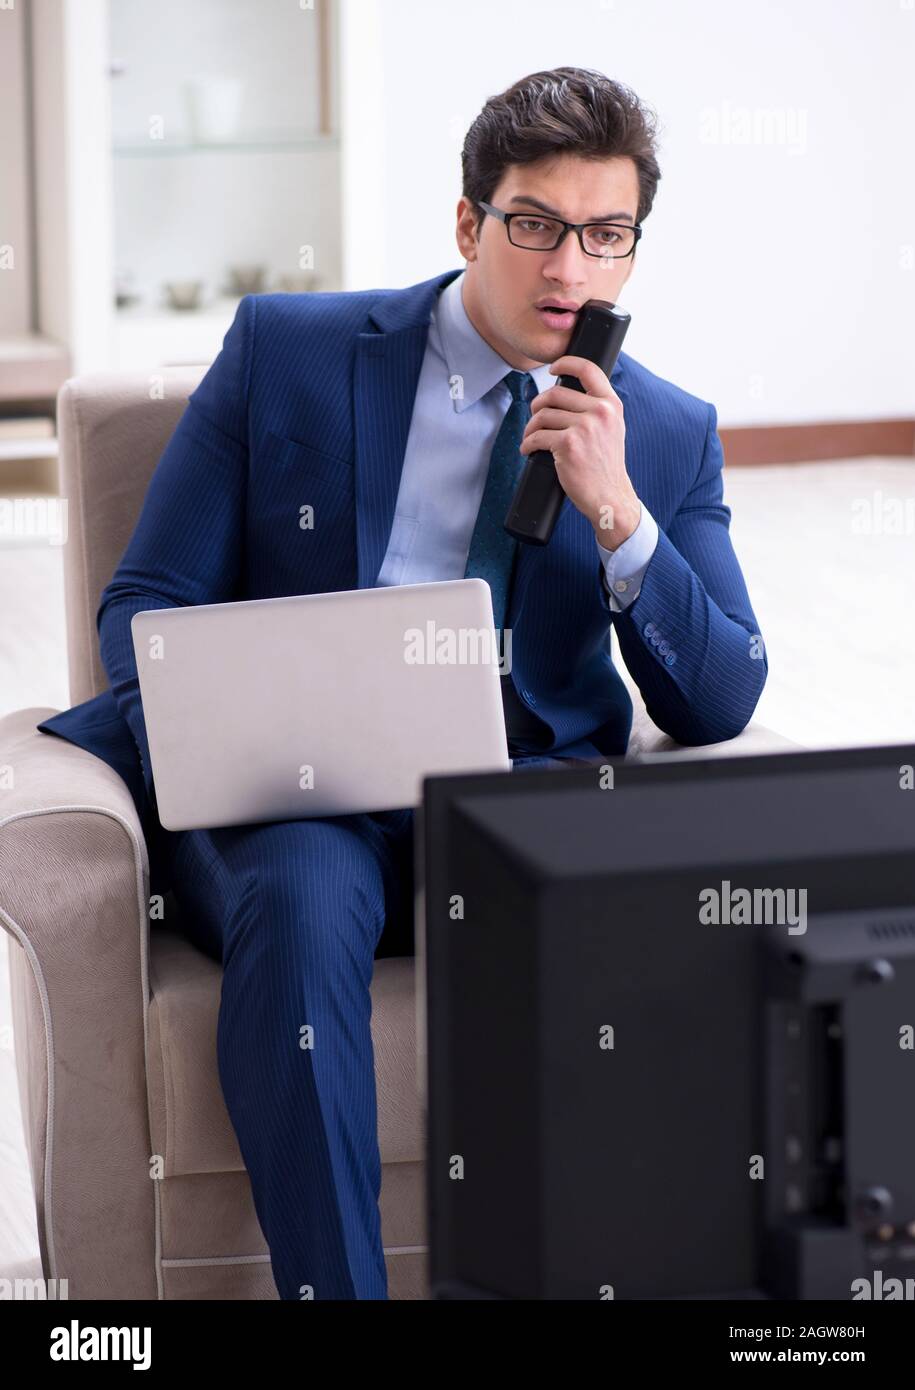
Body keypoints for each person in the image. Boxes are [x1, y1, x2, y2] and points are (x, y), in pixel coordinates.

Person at [37, 66, 767, 1299]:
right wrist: (223, 723)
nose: (568, 271)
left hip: (510, 802)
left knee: (669, 914)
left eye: (607, 236)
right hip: (301, 793)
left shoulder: (664, 429)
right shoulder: (293, 353)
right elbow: (146, 599)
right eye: (534, 224)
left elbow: (723, 696)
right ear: (470, 222)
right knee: (305, 889)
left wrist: (620, 516)